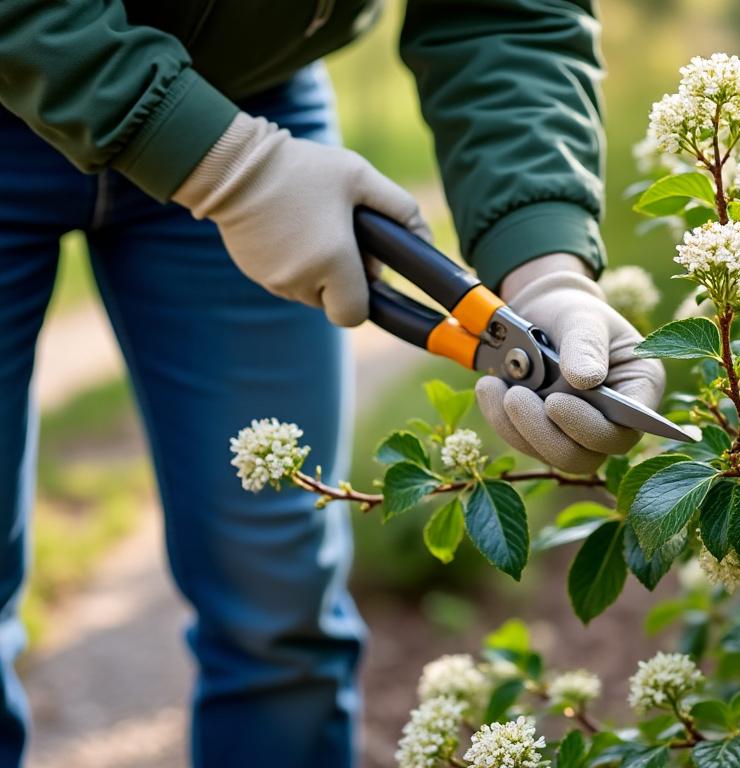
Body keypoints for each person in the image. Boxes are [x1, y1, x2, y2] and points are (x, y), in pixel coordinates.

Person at [0, 0, 664, 765]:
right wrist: (229, 169)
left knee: (278, 609)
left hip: (248, 101)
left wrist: (545, 264)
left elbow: (505, 12)